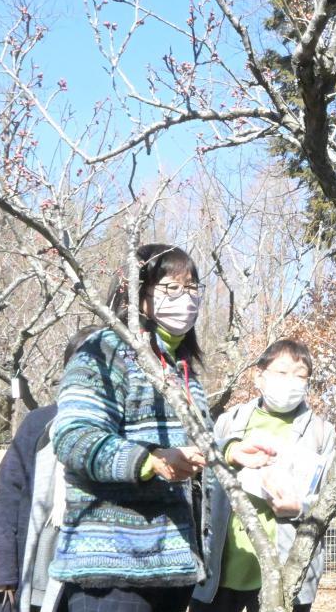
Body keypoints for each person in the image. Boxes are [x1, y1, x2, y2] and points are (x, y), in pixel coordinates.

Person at [51, 244, 211, 612]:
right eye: (171, 288)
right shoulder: (103, 351)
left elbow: (201, 445)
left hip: (171, 566)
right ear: (135, 294)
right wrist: (149, 460)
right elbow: (74, 437)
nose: (185, 298)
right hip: (113, 569)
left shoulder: (180, 367)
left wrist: (230, 452)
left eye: (192, 288)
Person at [192, 339, 336, 612]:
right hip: (221, 567)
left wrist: (301, 508)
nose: (291, 382)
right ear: (259, 375)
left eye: (300, 376)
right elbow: (202, 476)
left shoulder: (320, 433)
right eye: (281, 372)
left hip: (286, 570)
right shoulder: (230, 421)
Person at [0, 325, 101, 612]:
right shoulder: (39, 423)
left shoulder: (125, 429)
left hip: (97, 561)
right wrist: (0, 569)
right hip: (42, 556)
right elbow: (8, 496)